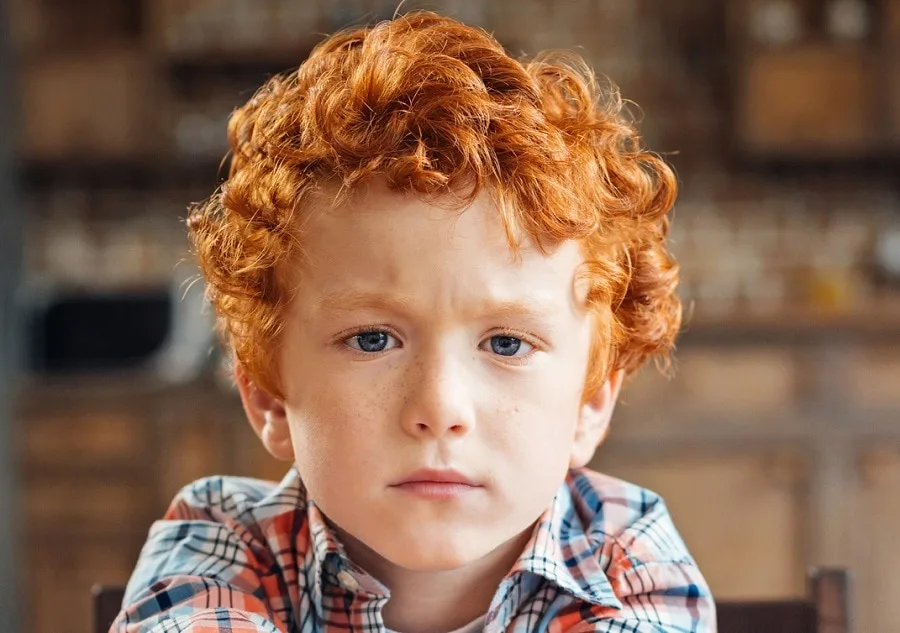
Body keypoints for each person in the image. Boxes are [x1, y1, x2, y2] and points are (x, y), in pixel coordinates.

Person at [113, 10, 714, 633]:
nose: (440, 406)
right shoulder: (222, 539)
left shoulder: (626, 551)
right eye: (372, 339)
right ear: (268, 394)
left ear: (590, 404)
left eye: (506, 342)